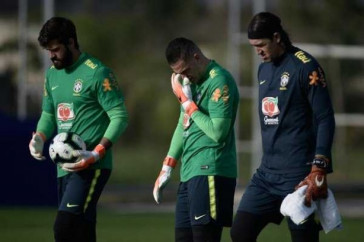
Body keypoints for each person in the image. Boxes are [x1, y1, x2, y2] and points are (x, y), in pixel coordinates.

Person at [230, 12, 335, 242]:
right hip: (266, 175)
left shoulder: (306, 68)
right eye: (253, 46)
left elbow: (325, 118)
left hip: (299, 176)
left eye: (261, 45)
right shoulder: (263, 69)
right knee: (239, 233)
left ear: (276, 37)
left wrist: (319, 165)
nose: (258, 51)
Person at [28, 17, 128, 242]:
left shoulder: (97, 72)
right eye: (48, 51)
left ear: (71, 42)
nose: (51, 55)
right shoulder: (52, 74)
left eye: (55, 49)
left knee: (64, 228)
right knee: (82, 230)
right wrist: (40, 137)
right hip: (64, 166)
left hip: (92, 165)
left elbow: (120, 116)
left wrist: (97, 152)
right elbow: (48, 113)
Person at [152, 37, 239, 242]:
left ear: (197, 57)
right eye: (178, 74)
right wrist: (167, 166)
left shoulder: (219, 80)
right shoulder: (191, 84)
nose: (184, 77)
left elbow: (218, 133)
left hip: (211, 170)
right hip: (189, 172)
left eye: (185, 70)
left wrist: (187, 103)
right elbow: (183, 125)